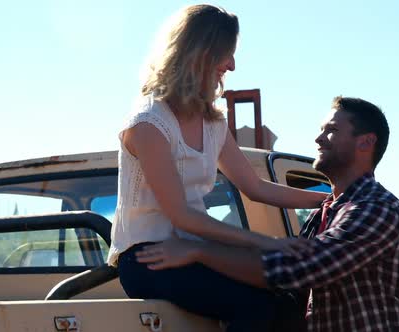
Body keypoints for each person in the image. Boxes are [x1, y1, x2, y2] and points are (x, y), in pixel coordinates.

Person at [107, 4, 327, 332]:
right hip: (150, 257)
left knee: (289, 298)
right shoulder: (149, 123)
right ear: (200, 55)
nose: (233, 66)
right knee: (254, 305)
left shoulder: (213, 122)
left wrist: (328, 199)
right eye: (227, 54)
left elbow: (255, 186)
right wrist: (267, 242)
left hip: (195, 249)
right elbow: (182, 215)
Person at [136, 96, 399, 332]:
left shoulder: (375, 209)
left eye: (331, 131)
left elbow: (295, 268)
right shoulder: (326, 213)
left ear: (365, 143)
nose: (319, 138)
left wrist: (199, 252)